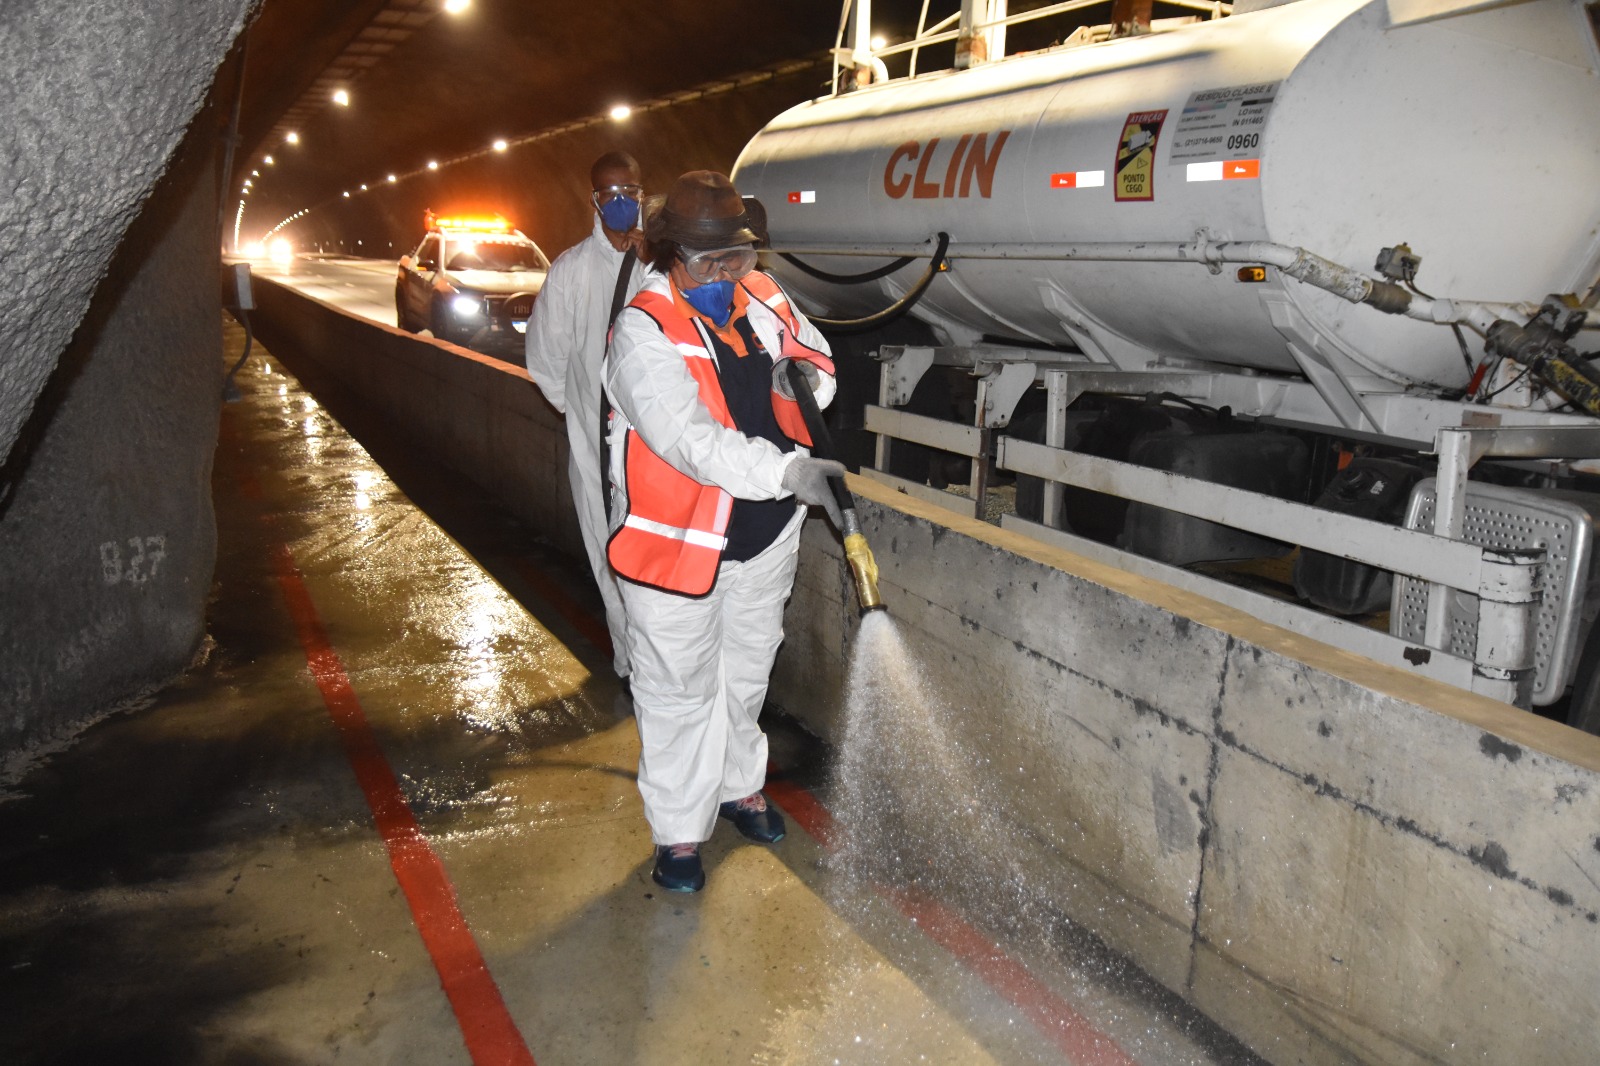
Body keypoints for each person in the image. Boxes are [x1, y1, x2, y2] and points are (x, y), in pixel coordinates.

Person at [603, 171, 846, 893]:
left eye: (737, 256)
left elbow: (820, 362)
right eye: (710, 261)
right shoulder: (642, 331)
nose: (727, 274)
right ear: (672, 255)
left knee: (745, 674)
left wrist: (799, 380)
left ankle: (741, 788)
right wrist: (787, 473)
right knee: (679, 690)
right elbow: (689, 441)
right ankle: (679, 832)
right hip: (676, 548)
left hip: (765, 537)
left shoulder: (765, 296)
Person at [525, 151, 647, 681]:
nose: (621, 202)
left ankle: (658, 668)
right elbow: (546, 361)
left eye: (629, 192)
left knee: (651, 559)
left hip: (655, 449)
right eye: (609, 194)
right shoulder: (571, 271)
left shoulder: (660, 264)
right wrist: (584, 416)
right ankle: (630, 666)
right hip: (595, 447)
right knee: (608, 555)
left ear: (642, 194)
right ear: (594, 200)